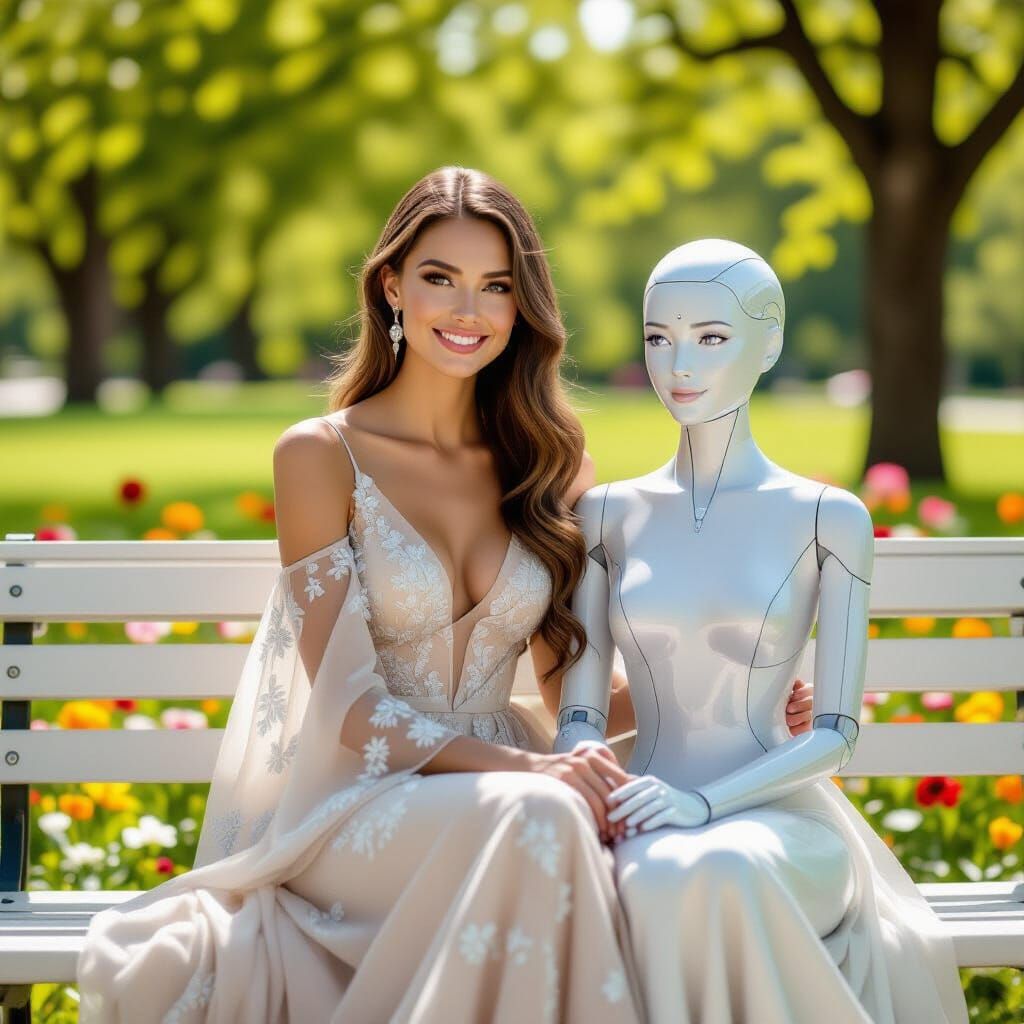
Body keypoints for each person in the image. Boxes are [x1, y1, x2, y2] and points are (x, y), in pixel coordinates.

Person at [76, 171, 811, 1022]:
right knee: (547, 813)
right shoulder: (321, 456)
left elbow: (561, 687)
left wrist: (734, 702)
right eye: (440, 278)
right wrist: (534, 769)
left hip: (517, 787)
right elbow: (352, 710)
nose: (469, 310)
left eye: (496, 286)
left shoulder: (550, 464)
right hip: (360, 796)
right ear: (391, 285)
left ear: (520, 306)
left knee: (568, 824)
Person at [554, 238, 969, 1024]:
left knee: (713, 871)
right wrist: (589, 776)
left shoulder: (826, 518)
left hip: (781, 820)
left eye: (712, 336)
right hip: (642, 808)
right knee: (664, 875)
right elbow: (578, 710)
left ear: (769, 340)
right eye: (658, 336)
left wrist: (703, 805)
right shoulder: (606, 515)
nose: (680, 363)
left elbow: (837, 733)